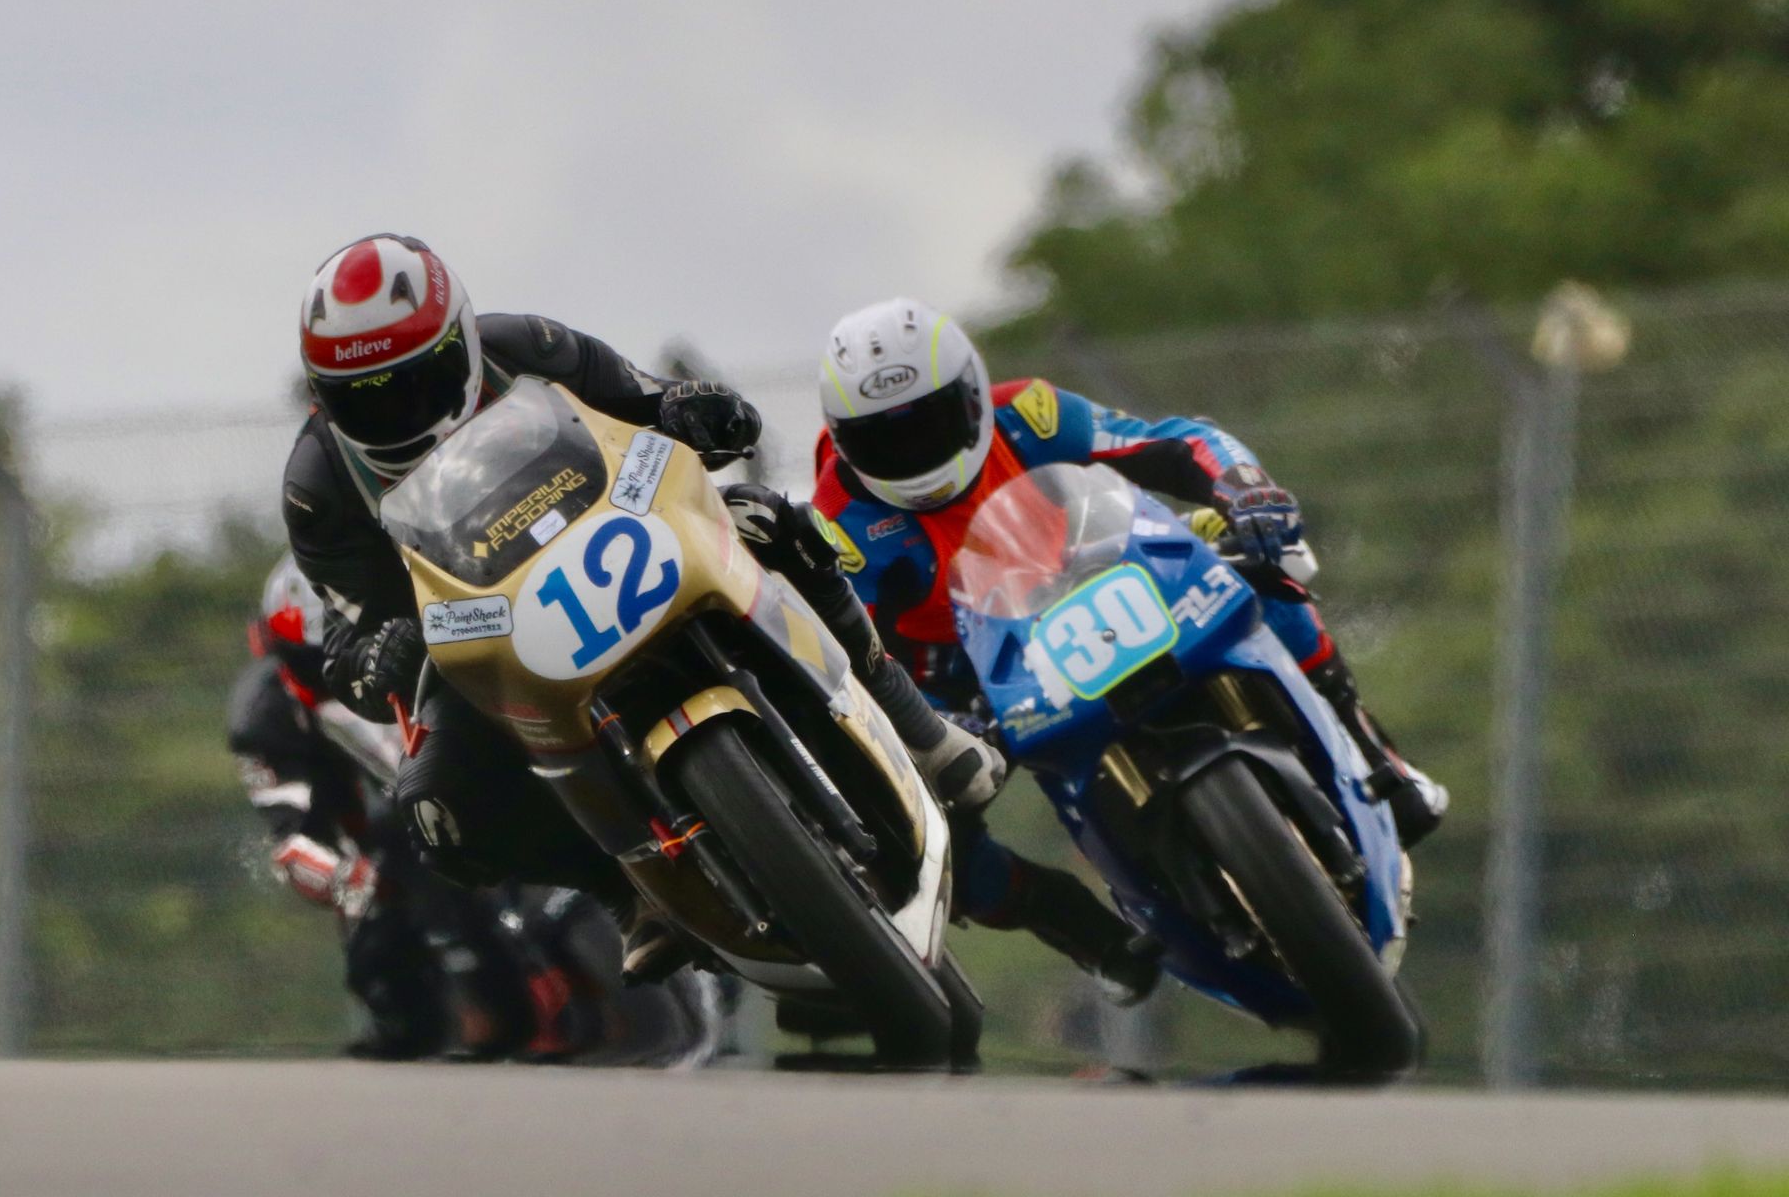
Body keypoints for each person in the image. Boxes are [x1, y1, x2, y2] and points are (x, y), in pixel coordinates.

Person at [281, 236, 1004, 981]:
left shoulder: (528, 346)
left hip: (625, 531)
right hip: (489, 632)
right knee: (437, 809)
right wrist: (377, 656)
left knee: (769, 517)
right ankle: (629, 896)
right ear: (320, 392)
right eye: (358, 394)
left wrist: (699, 411)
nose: (390, 408)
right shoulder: (318, 487)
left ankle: (920, 730)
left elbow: (645, 400)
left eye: (413, 382)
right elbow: (346, 640)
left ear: (460, 343)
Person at [781, 297, 1448, 999]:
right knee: (921, 845)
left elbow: (1169, 440)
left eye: (930, 422)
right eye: (885, 440)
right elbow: (843, 664)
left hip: (1100, 572)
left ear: (973, 397)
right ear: (845, 439)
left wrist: (1245, 490)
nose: (914, 450)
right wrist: (922, 729)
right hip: (952, 679)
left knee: (1266, 571)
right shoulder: (841, 529)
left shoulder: (1029, 413)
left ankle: (1375, 753)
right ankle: (1074, 925)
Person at [231, 555, 722, 1062]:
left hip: (500, 747)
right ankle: (454, 1035)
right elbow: (290, 838)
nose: (341, 679)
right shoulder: (266, 713)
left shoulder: (433, 611)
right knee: (383, 924)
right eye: (322, 663)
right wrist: (349, 880)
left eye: (353, 646)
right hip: (403, 822)